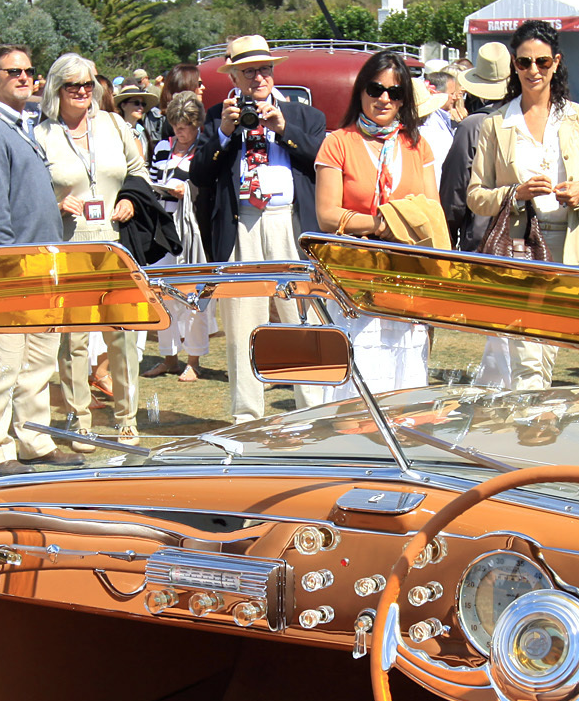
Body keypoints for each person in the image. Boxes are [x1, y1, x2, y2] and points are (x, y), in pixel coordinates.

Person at [190, 35, 326, 423]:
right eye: (248, 71)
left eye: (264, 68)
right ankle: (246, 417)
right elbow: (199, 173)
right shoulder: (218, 116)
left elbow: (321, 162)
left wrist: (285, 130)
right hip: (241, 225)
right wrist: (223, 134)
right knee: (241, 324)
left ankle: (313, 414)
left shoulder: (304, 115)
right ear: (233, 74)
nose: (258, 77)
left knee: (303, 320)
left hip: (290, 223)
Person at [0, 43, 82, 475]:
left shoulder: (23, 127)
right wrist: (10, 276)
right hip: (12, 272)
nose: (22, 77)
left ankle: (34, 441)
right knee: (2, 364)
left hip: (43, 265)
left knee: (38, 364)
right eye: (12, 71)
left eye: (29, 71)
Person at [466, 22, 579, 388]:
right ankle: (531, 431)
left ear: (556, 62)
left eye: (542, 61)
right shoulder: (496, 123)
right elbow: (476, 195)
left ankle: (532, 430)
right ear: (514, 65)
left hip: (567, 247)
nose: (533, 71)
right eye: (524, 63)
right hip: (520, 245)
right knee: (528, 353)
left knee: (548, 349)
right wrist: (515, 193)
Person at [38, 51, 146, 447]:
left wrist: (131, 200)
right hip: (70, 245)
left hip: (116, 242)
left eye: (89, 83)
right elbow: (32, 192)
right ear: (57, 90)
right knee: (75, 339)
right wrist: (55, 203)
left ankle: (127, 418)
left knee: (124, 335)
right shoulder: (42, 135)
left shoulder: (115, 125)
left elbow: (138, 172)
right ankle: (78, 418)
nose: (83, 91)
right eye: (73, 85)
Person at [314, 50, 439, 393]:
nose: (384, 98)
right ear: (361, 91)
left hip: (408, 276)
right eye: (375, 89)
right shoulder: (338, 143)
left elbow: (432, 211)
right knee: (359, 377)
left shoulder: (417, 146)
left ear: (403, 100)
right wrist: (376, 224)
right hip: (356, 276)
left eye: (394, 92)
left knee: (407, 378)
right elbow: (326, 215)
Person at [144, 91, 213, 383]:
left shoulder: (204, 148)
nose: (179, 131)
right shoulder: (162, 146)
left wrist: (189, 190)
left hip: (191, 226)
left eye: (185, 125)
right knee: (162, 292)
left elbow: (207, 185)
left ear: (197, 124)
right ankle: (169, 357)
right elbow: (149, 177)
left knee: (191, 293)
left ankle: (193, 360)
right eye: (175, 125)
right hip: (162, 225)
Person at [439, 42, 512, 251]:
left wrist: (448, 234)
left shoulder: (472, 126)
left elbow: (455, 192)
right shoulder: (531, 119)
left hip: (484, 240)